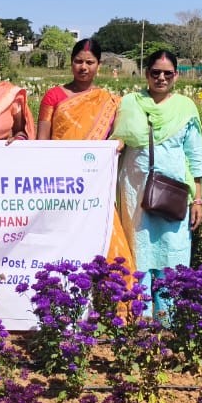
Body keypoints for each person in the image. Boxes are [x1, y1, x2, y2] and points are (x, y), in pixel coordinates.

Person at [111, 50, 202, 315]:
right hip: (135, 192)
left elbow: (196, 155)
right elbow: (118, 139)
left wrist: (198, 198)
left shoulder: (185, 108)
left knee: (172, 252)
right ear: (147, 74)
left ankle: (167, 319)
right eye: (156, 72)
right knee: (139, 250)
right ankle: (139, 317)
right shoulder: (130, 103)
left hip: (174, 192)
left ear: (176, 75)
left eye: (168, 73)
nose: (161, 78)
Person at [37, 38, 134, 268]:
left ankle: (117, 299)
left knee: (106, 241)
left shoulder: (109, 101)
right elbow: (41, 142)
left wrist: (119, 143)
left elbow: (119, 139)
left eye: (89, 62)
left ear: (98, 65)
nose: (83, 67)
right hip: (59, 183)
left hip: (94, 186)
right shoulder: (54, 96)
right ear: (71, 63)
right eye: (78, 61)